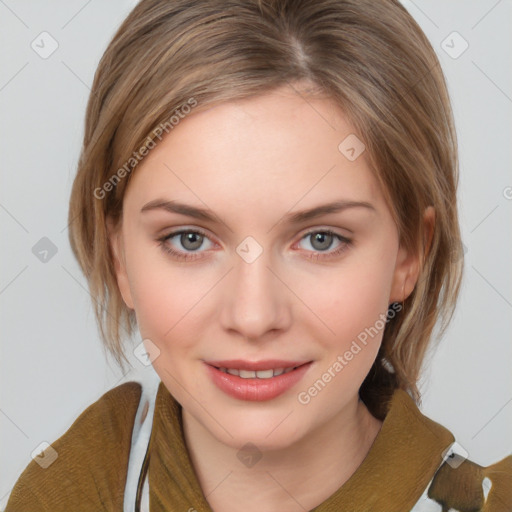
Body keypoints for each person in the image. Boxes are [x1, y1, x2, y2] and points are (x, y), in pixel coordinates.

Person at [5, 0, 511, 510]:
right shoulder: (59, 492)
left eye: (321, 239)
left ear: (410, 255)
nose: (253, 316)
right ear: (119, 258)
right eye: (189, 239)